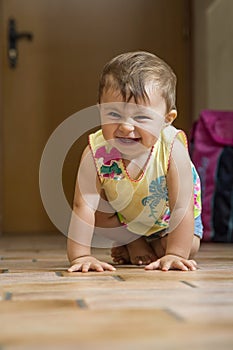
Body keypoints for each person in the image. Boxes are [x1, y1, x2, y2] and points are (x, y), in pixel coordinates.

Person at [67, 51, 203, 273]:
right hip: (125, 215)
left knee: (189, 248)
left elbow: (181, 207)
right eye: (113, 114)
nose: (126, 127)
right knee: (99, 211)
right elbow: (83, 206)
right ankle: (132, 240)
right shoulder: (96, 153)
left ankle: (154, 246)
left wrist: (175, 254)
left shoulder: (173, 149)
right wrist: (81, 256)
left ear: (166, 120)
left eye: (140, 117)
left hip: (168, 219)